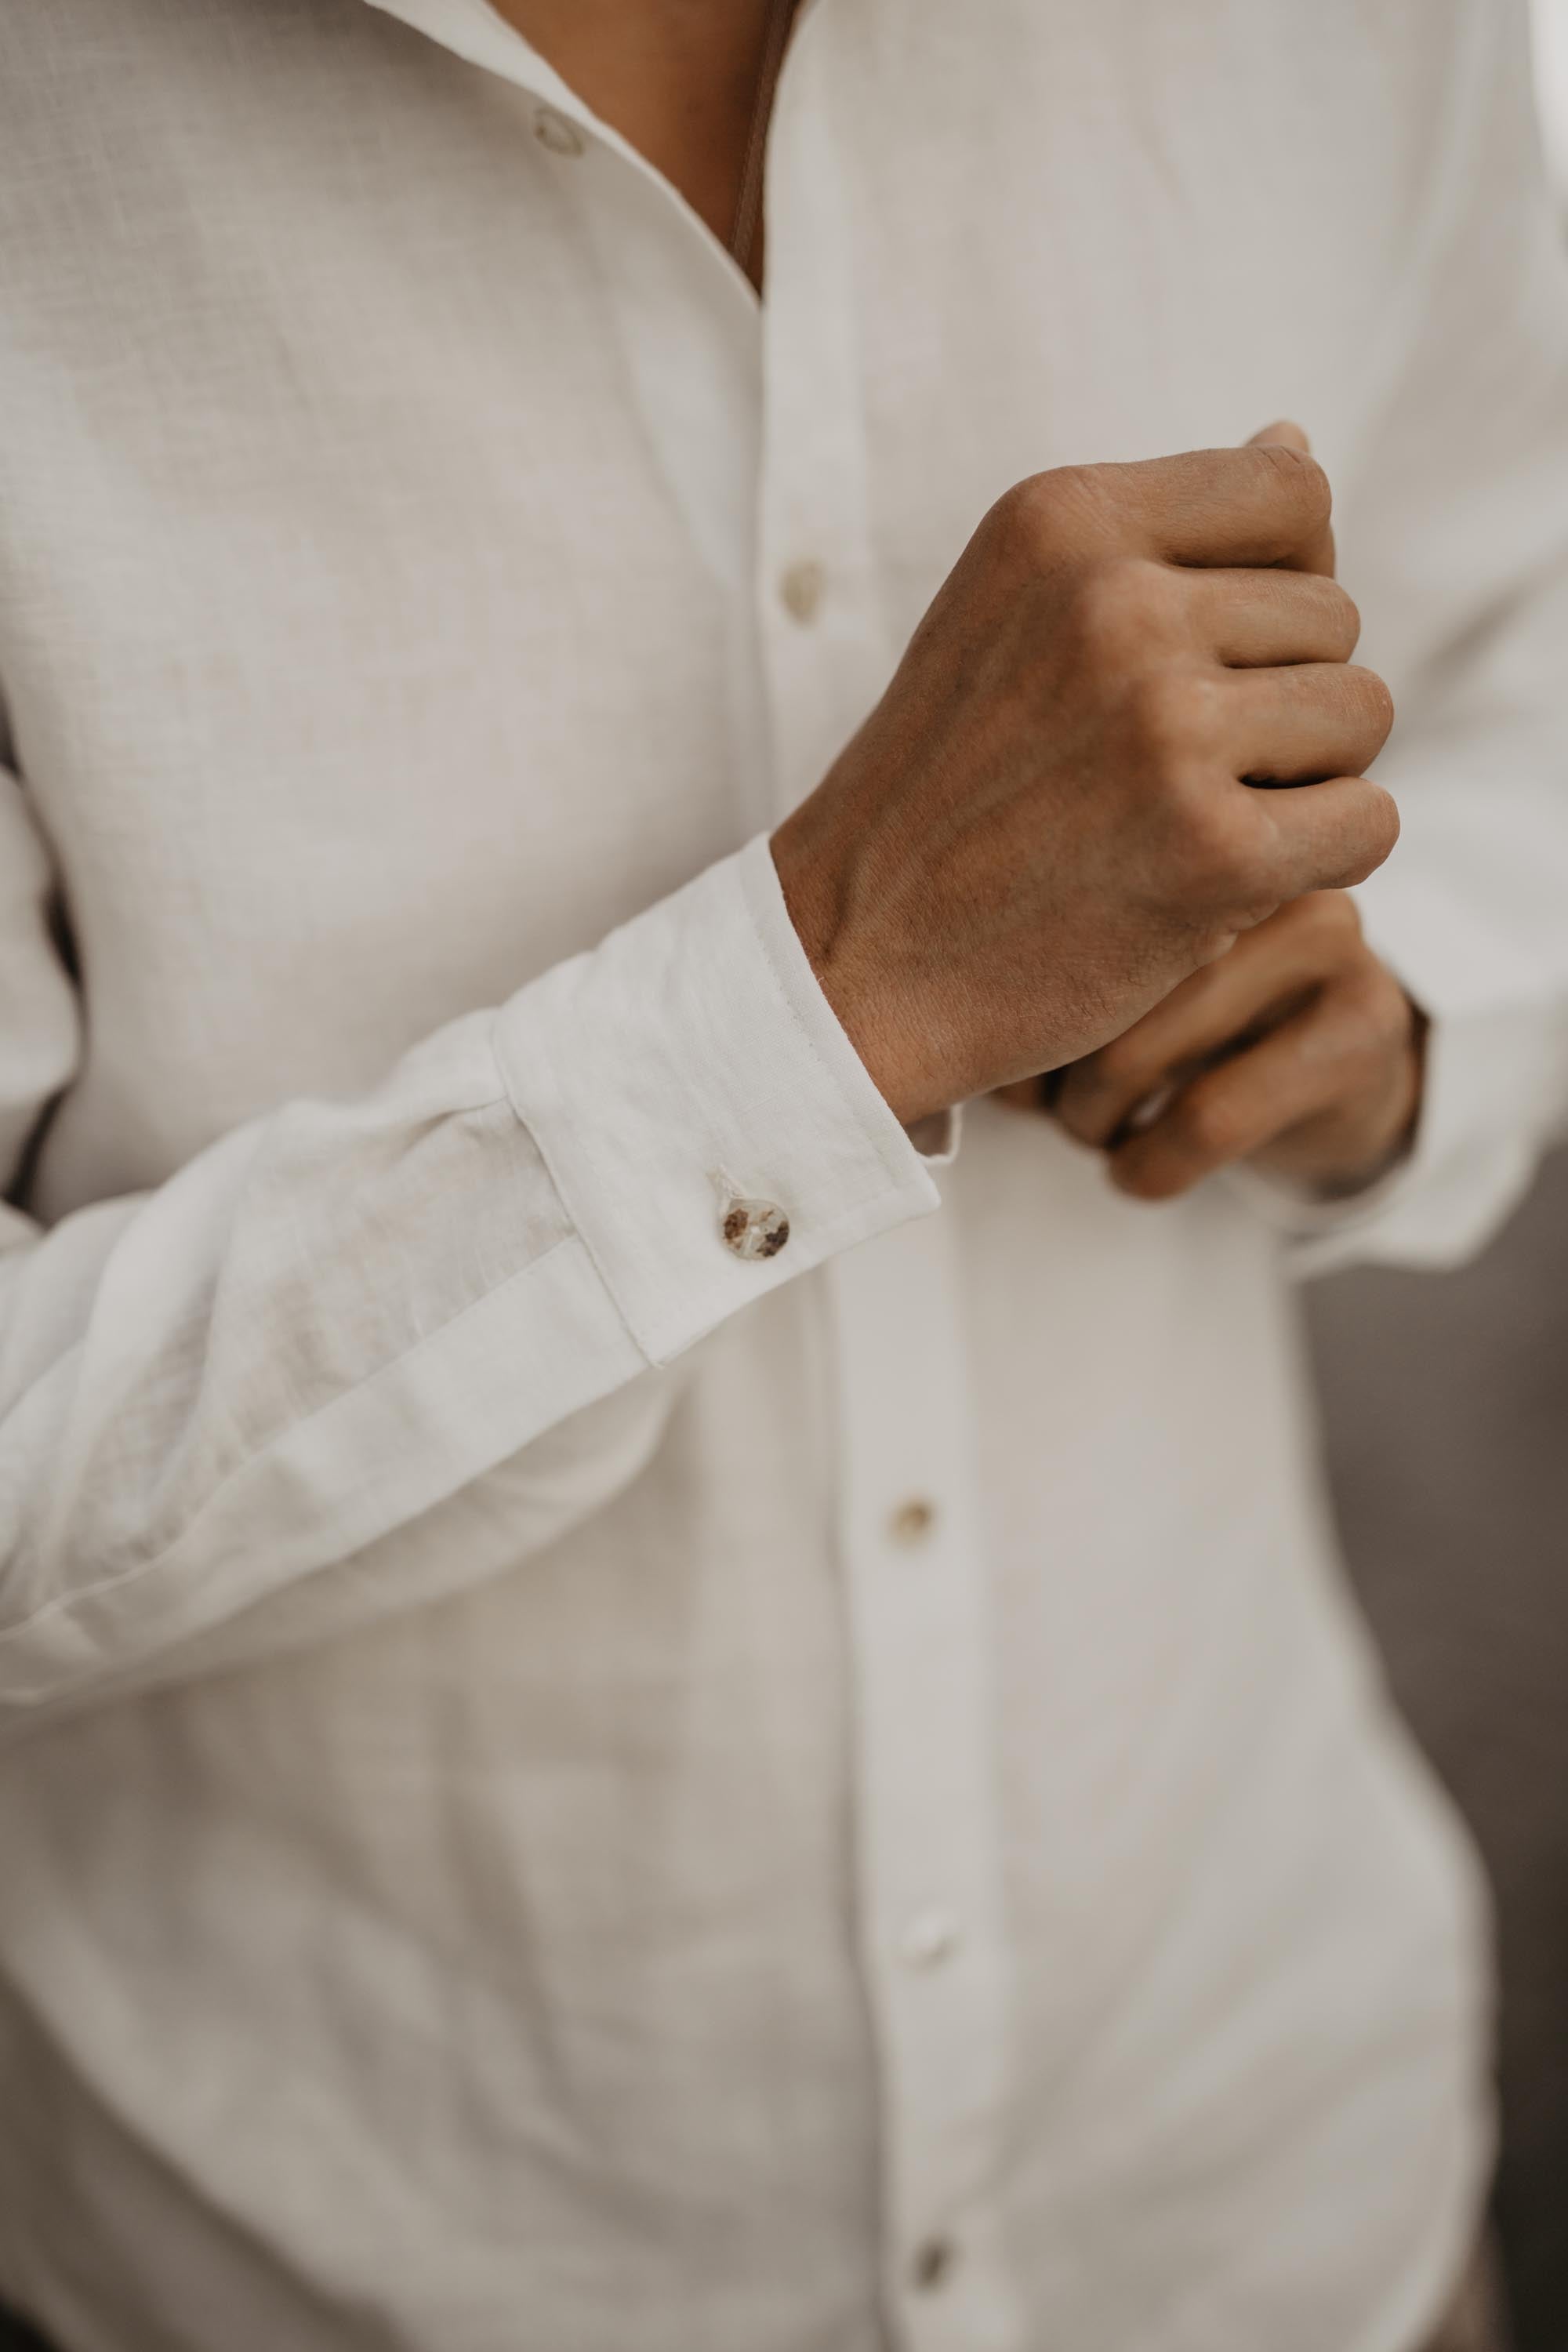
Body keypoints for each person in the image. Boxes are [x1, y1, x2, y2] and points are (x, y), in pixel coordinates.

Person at [0, 2, 1564, 2347]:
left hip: (1278, 2193)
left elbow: (1527, 640)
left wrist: (1413, 997)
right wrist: (824, 991)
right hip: (308, 2273)